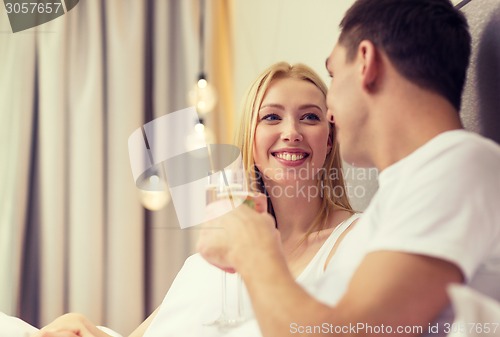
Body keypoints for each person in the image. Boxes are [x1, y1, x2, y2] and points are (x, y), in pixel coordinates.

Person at [196, 0, 500, 336]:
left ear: (366, 63)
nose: (329, 114)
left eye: (333, 74)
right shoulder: (390, 211)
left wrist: (251, 245)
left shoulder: (458, 165)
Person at [32, 62, 358, 337]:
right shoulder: (217, 253)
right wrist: (87, 330)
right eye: (271, 117)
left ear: (329, 140)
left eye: (310, 117)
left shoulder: (357, 240)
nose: (292, 132)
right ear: (250, 138)